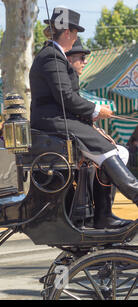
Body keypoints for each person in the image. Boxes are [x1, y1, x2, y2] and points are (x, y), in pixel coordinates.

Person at [29, 7, 137, 229]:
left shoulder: (54, 55)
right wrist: (97, 110)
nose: (76, 38)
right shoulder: (52, 56)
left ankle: (103, 214)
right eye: (76, 33)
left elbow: (67, 99)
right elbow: (66, 97)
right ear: (68, 32)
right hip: (54, 122)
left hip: (62, 119)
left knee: (117, 151)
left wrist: (92, 122)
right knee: (108, 150)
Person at [66, 37, 131, 228]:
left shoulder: (71, 78)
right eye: (81, 58)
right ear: (69, 59)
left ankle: (102, 212)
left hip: (72, 135)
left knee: (122, 152)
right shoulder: (67, 78)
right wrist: (96, 111)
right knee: (115, 153)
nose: (85, 62)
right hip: (69, 140)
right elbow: (70, 105)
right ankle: (102, 215)